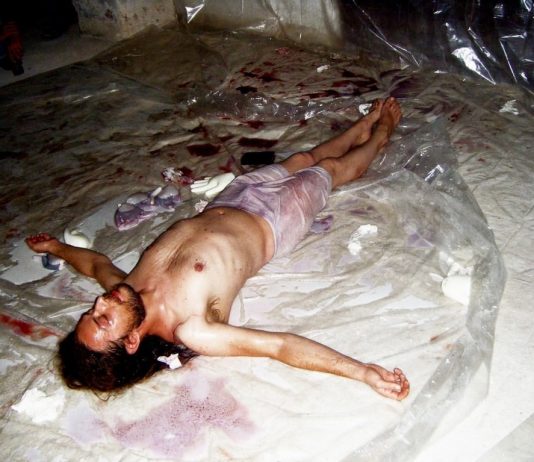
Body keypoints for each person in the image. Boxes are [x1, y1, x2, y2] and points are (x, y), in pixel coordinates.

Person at [26, 97, 410, 400]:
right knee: (332, 170)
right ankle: (381, 134)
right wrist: (360, 371)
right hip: (274, 221)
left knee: (302, 159)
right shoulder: (192, 328)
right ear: (131, 341)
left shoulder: (127, 291)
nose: (100, 303)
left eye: (91, 311)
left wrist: (57, 247)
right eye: (102, 319)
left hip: (232, 198)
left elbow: (96, 265)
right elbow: (278, 346)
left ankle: (360, 128)